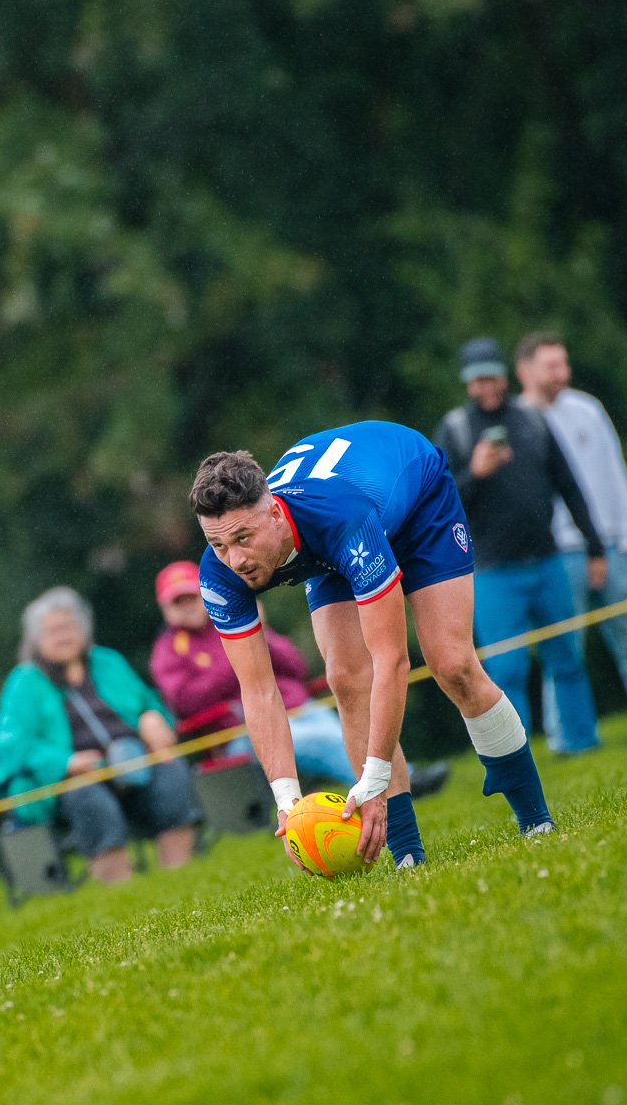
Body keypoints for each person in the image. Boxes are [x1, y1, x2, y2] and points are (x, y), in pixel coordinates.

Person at [192, 419, 561, 874]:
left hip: (415, 499)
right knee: (346, 681)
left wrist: (375, 775)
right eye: (219, 544)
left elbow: (393, 659)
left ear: (272, 514)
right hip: (329, 542)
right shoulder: (218, 572)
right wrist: (286, 799)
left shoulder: (340, 519)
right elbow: (258, 691)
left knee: (452, 665)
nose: (236, 560)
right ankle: (407, 855)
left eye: (243, 539)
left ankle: (535, 819)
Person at [433, 337, 603, 754]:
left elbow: (569, 485)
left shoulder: (533, 419)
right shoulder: (454, 430)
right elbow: (437, 502)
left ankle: (582, 742)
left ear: (505, 376)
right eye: (477, 381)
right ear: (467, 384)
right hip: (492, 571)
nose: (486, 387)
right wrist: (474, 473)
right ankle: (516, 752)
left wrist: (595, 546)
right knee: (505, 670)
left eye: (492, 377)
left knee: (567, 658)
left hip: (548, 560)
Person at [0, 588, 199, 885]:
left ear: (84, 629)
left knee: (172, 771)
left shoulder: (107, 661)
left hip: (135, 762)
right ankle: (120, 889)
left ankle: (182, 877)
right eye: (53, 630)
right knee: (87, 796)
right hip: (71, 780)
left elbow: (149, 704)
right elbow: (13, 746)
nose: (63, 636)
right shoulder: (24, 682)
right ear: (35, 638)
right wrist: (67, 762)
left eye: (69, 627)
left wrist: (152, 718)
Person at [515, 331, 627, 720]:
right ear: (525, 371)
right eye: (551, 366)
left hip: (611, 543)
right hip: (557, 552)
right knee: (563, 648)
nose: (563, 373)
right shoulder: (517, 423)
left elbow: (615, 474)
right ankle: (567, 734)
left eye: (564, 364)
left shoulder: (587, 410)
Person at [148, 561, 350, 781]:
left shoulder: (235, 618)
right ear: (165, 609)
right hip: (242, 730)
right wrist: (243, 651)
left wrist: (261, 632)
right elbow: (184, 701)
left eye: (192, 596)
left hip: (298, 707)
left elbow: (297, 668)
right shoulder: (167, 650)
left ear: (206, 594)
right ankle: (380, 801)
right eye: (178, 601)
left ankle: (379, 802)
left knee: (354, 738)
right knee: (329, 743)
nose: (187, 606)